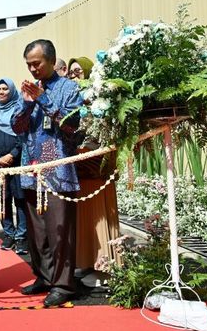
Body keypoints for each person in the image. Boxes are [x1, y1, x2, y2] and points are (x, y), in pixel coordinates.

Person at [12, 39, 83, 308]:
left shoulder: (69, 87)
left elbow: (72, 124)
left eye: (36, 63)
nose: (32, 69)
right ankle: (43, 277)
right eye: (28, 64)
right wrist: (28, 103)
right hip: (31, 168)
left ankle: (63, 285)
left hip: (59, 170)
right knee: (37, 232)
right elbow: (17, 128)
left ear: (52, 61)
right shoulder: (29, 90)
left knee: (59, 231)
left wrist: (43, 99)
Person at [66, 56, 121, 283]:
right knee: (83, 217)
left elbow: (108, 131)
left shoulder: (101, 98)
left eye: (78, 71)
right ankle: (86, 262)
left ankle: (105, 267)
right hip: (80, 168)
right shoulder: (72, 100)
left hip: (98, 167)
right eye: (71, 72)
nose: (74, 75)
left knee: (100, 217)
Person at [0, 78, 27, 255]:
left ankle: (21, 237)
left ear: (12, 90)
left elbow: (23, 136)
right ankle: (8, 233)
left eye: (5, 88)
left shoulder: (19, 109)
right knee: (3, 200)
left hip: (17, 161)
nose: (1, 92)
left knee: (20, 199)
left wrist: (12, 155)